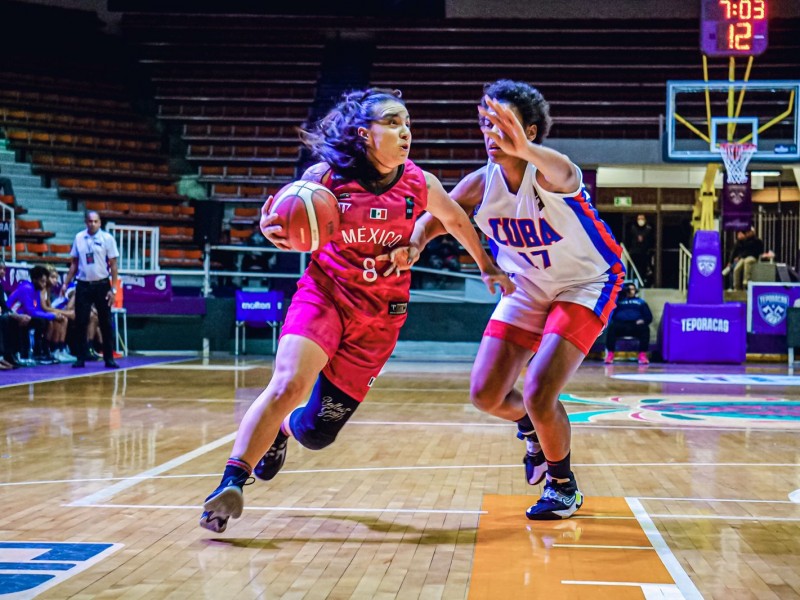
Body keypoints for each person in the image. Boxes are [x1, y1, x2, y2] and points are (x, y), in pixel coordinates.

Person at [199, 87, 514, 533]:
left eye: (406, 123)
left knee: (317, 432)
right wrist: (273, 227)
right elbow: (278, 218)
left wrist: (487, 267)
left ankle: (282, 433)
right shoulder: (324, 178)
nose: (404, 131)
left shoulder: (419, 182)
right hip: (325, 295)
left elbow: (456, 220)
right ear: (364, 133)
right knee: (288, 382)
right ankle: (229, 485)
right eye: (392, 122)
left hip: (381, 314)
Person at [412, 80, 624, 520]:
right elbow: (439, 220)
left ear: (528, 130)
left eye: (503, 125)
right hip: (526, 285)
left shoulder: (551, 173)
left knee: (539, 389)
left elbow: (565, 167)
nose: (491, 134)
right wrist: (413, 244)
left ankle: (562, 485)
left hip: (584, 283)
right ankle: (530, 429)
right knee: (486, 394)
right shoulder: (480, 183)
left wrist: (525, 147)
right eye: (486, 124)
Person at [60, 210, 120, 369]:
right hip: (83, 284)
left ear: (100, 223)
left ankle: (109, 357)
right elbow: (74, 263)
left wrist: (113, 289)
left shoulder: (107, 238)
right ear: (85, 222)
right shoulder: (79, 238)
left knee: (105, 322)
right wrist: (66, 283)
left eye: (95, 221)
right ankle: (80, 357)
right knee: (81, 321)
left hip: (102, 284)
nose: (92, 224)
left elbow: (113, 265)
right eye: (89, 221)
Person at [8, 265, 65, 364]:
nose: (44, 284)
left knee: (45, 321)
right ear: (34, 279)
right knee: (40, 321)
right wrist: (52, 315)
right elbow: (31, 311)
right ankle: (34, 353)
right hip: (12, 315)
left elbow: (37, 310)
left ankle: (44, 352)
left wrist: (53, 316)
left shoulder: (36, 291)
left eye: (45, 281)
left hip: (24, 316)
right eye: (42, 281)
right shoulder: (27, 288)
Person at [603, 281, 652, 365]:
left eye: (632, 289)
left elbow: (649, 316)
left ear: (635, 290)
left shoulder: (641, 302)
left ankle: (642, 355)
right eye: (629, 289)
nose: (631, 291)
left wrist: (643, 320)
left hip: (635, 325)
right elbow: (612, 313)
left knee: (645, 329)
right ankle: (610, 354)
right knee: (612, 327)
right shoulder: (619, 301)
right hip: (621, 324)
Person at [0, 259, 29, 369]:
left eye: (4, 269)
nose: (2, 271)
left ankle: (11, 355)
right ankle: (2, 356)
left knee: (14, 320)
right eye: (0, 269)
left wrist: (15, 315)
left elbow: (4, 306)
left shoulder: (1, 286)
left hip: (2, 314)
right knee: (6, 320)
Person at [625, 213, 654, 287]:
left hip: (644, 254)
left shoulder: (648, 229)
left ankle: (642, 283)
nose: (641, 220)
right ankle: (634, 284)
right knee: (634, 270)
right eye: (639, 219)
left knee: (643, 270)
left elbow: (651, 241)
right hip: (634, 253)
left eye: (642, 219)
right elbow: (628, 240)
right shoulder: (632, 228)